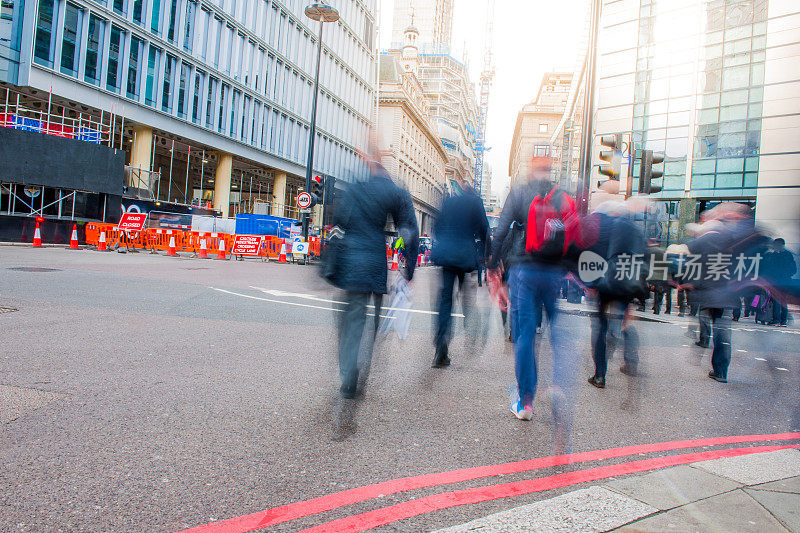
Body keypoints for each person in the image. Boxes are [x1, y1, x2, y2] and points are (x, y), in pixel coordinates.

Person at [488, 156, 578, 434]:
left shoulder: (519, 193)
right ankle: (560, 386)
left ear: (529, 169)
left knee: (525, 334)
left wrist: (494, 271)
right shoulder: (562, 196)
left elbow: (500, 233)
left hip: (524, 270)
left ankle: (526, 402)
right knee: (557, 331)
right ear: (550, 172)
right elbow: (575, 238)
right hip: (553, 275)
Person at [327, 155, 418, 398]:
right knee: (372, 323)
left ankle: (349, 374)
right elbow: (409, 230)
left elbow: (337, 224)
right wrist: (408, 269)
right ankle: (363, 367)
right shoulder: (394, 192)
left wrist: (328, 265)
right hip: (375, 263)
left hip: (351, 263)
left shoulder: (355, 188)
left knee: (351, 322)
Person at [686, 203, 767, 383]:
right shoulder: (739, 236)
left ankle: (716, 363)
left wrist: (707, 228)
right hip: (729, 293)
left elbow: (692, 249)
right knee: (723, 330)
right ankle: (721, 370)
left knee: (715, 325)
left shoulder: (719, 237)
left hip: (712, 292)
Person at [431, 177, 490, 367]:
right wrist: (485, 254)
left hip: (447, 254)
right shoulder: (475, 202)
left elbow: (437, 227)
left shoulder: (449, 201)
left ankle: (441, 345)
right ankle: (470, 327)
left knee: (445, 300)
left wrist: (447, 241)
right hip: (465, 254)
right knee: (467, 298)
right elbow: (483, 230)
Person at [763, 238, 797, 326]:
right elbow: (794, 269)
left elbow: (770, 269)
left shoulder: (774, 255)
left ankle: (776, 320)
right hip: (786, 281)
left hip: (777, 281)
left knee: (777, 300)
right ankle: (783, 321)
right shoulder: (788, 255)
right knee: (783, 301)